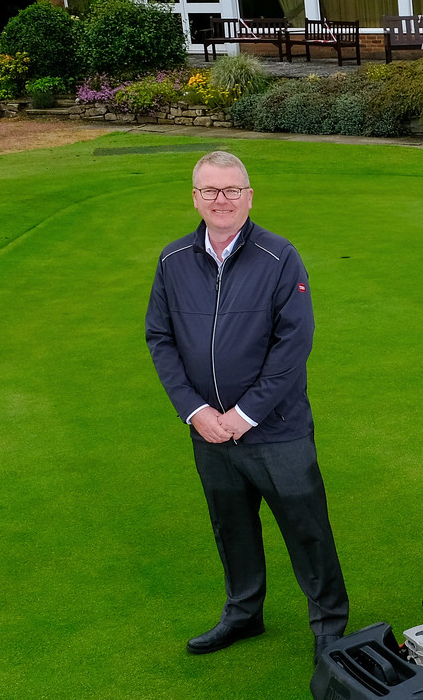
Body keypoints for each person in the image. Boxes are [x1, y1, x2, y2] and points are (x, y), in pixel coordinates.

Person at [145, 150, 350, 662]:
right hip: (208, 432)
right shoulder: (173, 261)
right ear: (194, 198)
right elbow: (160, 338)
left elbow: (293, 344)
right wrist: (196, 412)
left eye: (231, 190)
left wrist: (243, 415)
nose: (221, 200)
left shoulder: (281, 257)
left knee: (307, 529)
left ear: (249, 196)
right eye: (210, 191)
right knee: (230, 526)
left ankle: (329, 626)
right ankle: (244, 613)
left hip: (275, 431)